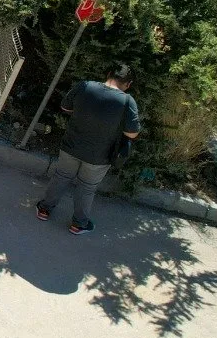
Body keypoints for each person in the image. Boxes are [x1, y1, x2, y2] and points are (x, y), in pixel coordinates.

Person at [36, 65, 141, 235]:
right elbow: (132, 133)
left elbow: (65, 107)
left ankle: (44, 210)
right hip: (99, 156)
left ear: (108, 74)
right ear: (128, 84)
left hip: (71, 146)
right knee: (87, 188)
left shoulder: (85, 86)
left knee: (61, 177)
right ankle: (78, 224)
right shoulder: (127, 101)